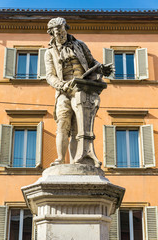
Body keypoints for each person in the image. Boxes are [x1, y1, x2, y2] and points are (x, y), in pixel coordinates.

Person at [45, 17, 112, 166]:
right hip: (64, 91)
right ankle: (61, 159)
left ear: (66, 29)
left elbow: (92, 63)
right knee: (63, 123)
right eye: (58, 34)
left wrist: (102, 69)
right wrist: (61, 85)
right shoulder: (49, 53)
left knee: (78, 127)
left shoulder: (80, 45)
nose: (61, 36)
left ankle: (78, 161)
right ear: (52, 34)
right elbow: (50, 75)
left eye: (63, 32)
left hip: (82, 89)